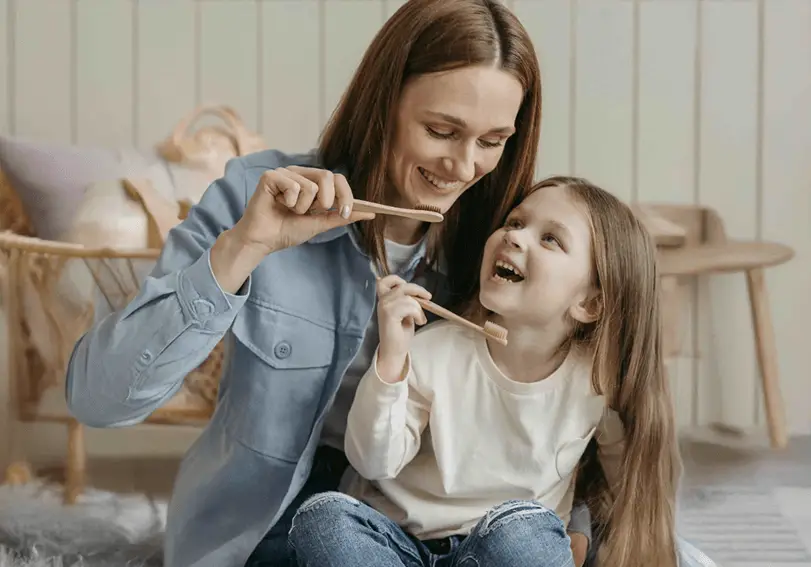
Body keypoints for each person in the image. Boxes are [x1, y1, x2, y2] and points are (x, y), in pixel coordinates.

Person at [61, 1, 572, 566]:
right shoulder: (254, 195)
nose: (463, 165)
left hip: (435, 529)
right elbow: (97, 400)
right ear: (384, 102)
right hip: (262, 529)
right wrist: (244, 248)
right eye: (441, 131)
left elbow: (575, 407)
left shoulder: (505, 248)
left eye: (493, 141)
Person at [286, 176, 694, 567]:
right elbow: (373, 463)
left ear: (589, 304)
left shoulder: (595, 384)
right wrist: (392, 359)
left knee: (528, 533)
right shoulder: (431, 351)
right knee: (324, 519)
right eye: (515, 222)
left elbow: (628, 481)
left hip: (501, 546)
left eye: (550, 239)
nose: (514, 236)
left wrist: (580, 533)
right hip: (399, 543)